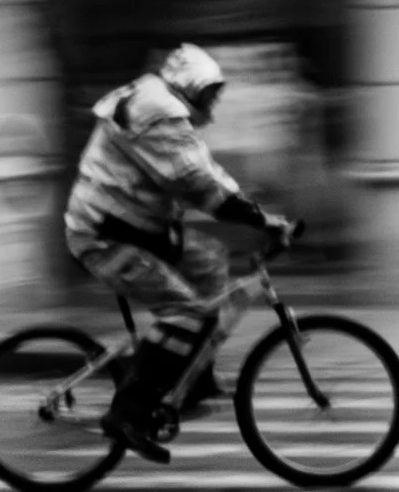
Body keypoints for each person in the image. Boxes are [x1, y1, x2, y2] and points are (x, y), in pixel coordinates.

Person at [63, 43, 298, 463]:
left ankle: (192, 377)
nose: (212, 106)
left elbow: (204, 171)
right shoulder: (158, 113)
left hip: (139, 226)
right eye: (209, 95)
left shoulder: (165, 108)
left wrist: (255, 211)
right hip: (105, 235)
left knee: (210, 263)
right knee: (185, 311)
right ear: (192, 86)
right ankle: (126, 414)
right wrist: (259, 220)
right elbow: (199, 184)